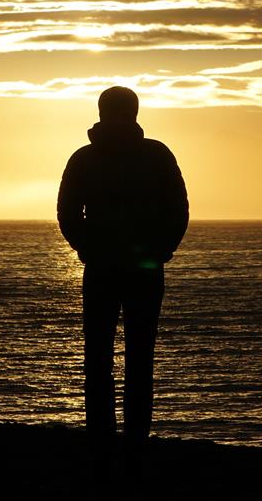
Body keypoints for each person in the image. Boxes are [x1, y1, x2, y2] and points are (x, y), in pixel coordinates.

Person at [57, 86, 189, 479]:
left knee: (106, 359)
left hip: (114, 267)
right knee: (128, 358)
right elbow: (177, 210)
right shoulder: (153, 155)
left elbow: (67, 213)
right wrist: (156, 252)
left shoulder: (91, 157)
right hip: (128, 268)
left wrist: (91, 248)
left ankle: (116, 443)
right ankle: (125, 443)